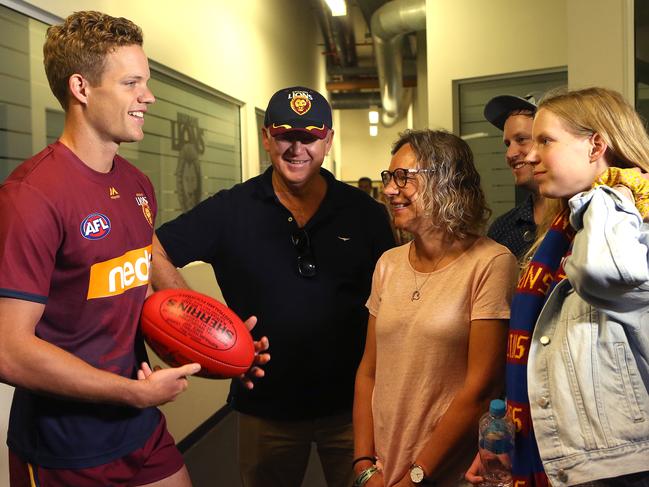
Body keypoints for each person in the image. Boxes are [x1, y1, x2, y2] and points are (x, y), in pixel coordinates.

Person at [152, 86, 395, 487]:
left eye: (310, 136)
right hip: (265, 406)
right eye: (285, 134)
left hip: (353, 410)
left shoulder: (365, 214)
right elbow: (153, 249)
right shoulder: (231, 209)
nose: (297, 148)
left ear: (328, 141)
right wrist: (199, 320)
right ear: (267, 137)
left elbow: (394, 297)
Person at [0, 11, 202, 487]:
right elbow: (9, 350)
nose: (147, 97)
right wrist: (129, 394)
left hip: (140, 427)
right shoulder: (31, 195)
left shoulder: (137, 184)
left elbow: (155, 265)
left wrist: (217, 337)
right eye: (132, 83)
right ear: (82, 88)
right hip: (64, 446)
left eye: (145, 82)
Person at [467, 87, 649, 486]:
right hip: (562, 453)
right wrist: (510, 442)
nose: (530, 155)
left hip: (618, 466)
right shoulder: (565, 228)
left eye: (545, 141)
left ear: (596, 145)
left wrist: (608, 192)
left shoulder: (627, 222)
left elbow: (605, 273)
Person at [352, 130, 518, 487]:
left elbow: (480, 389)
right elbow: (369, 370)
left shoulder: (491, 263)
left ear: (446, 182)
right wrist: (365, 466)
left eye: (403, 178)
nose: (390, 189)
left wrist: (416, 476)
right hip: (382, 468)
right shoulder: (388, 264)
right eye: (388, 177)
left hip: (444, 472)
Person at [484, 93, 547, 262]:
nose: (510, 154)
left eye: (521, 139)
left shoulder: (581, 216)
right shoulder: (503, 229)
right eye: (507, 144)